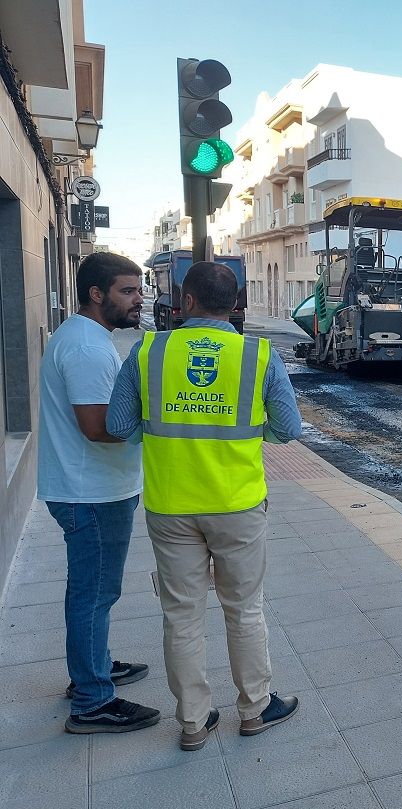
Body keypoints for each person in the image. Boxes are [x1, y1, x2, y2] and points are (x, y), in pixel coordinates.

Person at [106, 261, 303, 751]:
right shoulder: (257, 354)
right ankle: (255, 709)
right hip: (237, 504)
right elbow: (289, 430)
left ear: (185, 301)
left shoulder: (149, 351)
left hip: (171, 504)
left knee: (182, 615)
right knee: (244, 609)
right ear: (235, 305)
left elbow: (119, 426)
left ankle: (193, 721)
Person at [38, 252, 161, 735]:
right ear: (97, 293)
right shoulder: (88, 349)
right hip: (90, 492)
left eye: (138, 290)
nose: (139, 300)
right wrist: (156, 425)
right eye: (128, 291)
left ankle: (94, 667)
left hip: (93, 487)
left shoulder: (84, 337)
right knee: (93, 593)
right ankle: (92, 701)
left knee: (97, 590)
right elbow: (97, 427)